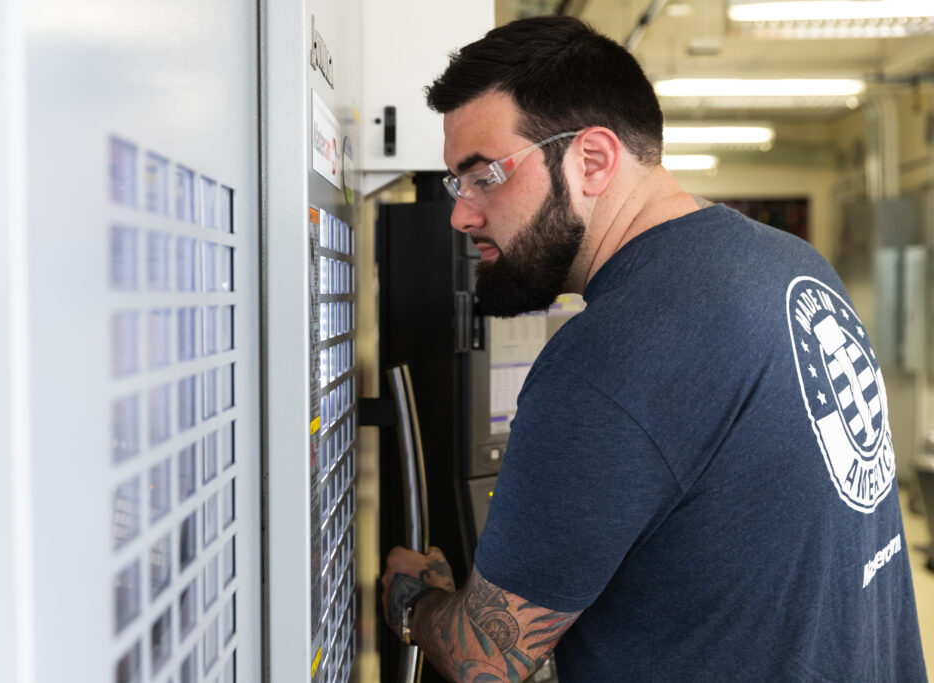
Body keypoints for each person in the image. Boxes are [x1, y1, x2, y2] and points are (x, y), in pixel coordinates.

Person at [380, 14, 927, 682]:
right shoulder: (795, 267)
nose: (461, 213)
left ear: (593, 159)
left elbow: (486, 655)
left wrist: (414, 599)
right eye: (454, 184)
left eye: (484, 174)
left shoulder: (609, 356)